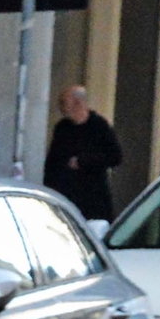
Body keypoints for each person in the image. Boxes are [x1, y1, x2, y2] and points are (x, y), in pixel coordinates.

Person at [43, 86, 125, 221]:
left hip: (93, 199)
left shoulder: (99, 126)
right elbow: (52, 161)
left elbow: (115, 157)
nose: (60, 107)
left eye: (64, 102)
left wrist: (83, 161)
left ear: (77, 102)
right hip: (65, 197)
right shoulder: (62, 128)